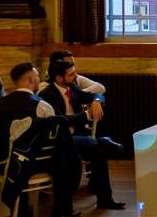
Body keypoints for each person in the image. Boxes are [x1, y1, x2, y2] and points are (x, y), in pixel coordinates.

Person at [0, 62, 82, 217]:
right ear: (31, 80)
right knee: (64, 157)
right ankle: (63, 210)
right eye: (37, 77)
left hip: (4, 164)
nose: (39, 80)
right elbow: (52, 142)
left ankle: (22, 210)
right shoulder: (42, 106)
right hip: (32, 166)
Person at [38, 59, 125, 210]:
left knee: (99, 151)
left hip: (77, 138)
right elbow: (61, 121)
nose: (75, 76)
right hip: (60, 141)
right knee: (94, 144)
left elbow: (97, 93)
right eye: (71, 74)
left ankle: (105, 199)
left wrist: (97, 101)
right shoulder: (48, 95)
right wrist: (85, 115)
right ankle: (104, 141)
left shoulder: (72, 89)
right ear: (59, 78)